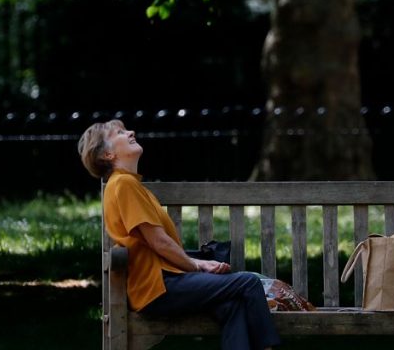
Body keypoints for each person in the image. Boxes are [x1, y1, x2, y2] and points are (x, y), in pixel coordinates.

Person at [79, 119, 280, 350]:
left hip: (167, 282)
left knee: (232, 304)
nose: (131, 132)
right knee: (248, 283)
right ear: (107, 154)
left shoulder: (131, 185)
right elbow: (159, 242)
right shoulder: (123, 184)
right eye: (120, 133)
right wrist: (198, 266)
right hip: (158, 288)